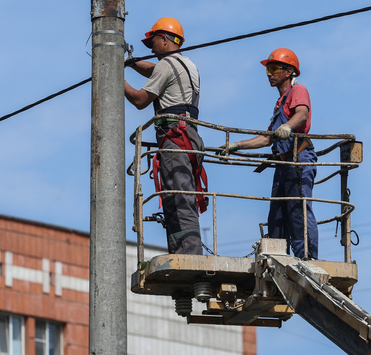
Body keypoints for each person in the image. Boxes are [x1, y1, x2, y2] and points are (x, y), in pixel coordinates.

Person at [221, 48, 319, 259]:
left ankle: (306, 258)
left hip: (298, 159)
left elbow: (302, 114)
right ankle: (278, 257)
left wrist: (288, 127)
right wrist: (237, 145)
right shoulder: (280, 103)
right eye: (268, 69)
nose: (269, 73)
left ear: (289, 71)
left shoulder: (298, 90)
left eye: (274, 68)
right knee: (277, 216)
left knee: (297, 211)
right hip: (283, 164)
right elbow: (267, 138)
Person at [124, 17, 206, 255]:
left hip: (174, 137)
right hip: (189, 137)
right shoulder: (188, 65)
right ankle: (184, 250)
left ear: (163, 39)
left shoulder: (166, 65)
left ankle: (188, 254)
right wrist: (131, 63)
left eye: (153, 43)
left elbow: (140, 100)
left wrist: (115, 77)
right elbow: (153, 70)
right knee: (181, 194)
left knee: (177, 198)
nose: (151, 49)